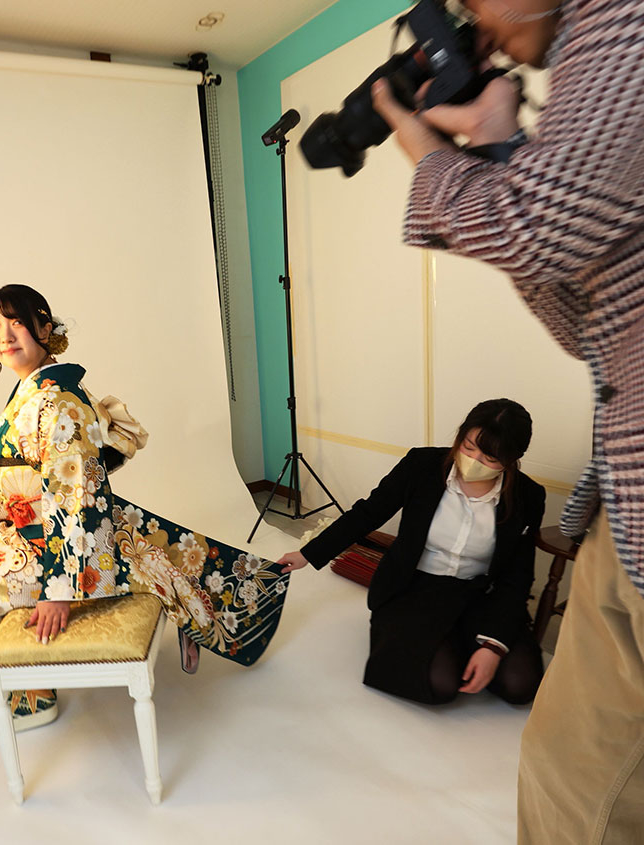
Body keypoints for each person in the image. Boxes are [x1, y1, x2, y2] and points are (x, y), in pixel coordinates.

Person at [369, 1, 644, 840]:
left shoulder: (623, 24)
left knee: (533, 697)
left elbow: (531, 230)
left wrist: (429, 150)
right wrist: (495, 149)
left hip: (584, 534)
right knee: (566, 758)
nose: (473, 26)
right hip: (608, 511)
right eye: (471, 447)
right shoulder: (424, 466)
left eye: (471, 4)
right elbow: (582, 319)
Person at [0, 284, 290, 731]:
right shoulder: (34, 390)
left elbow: (77, 497)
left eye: (16, 322)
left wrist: (61, 592)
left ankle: (25, 704)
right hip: (36, 528)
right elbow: (22, 473)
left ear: (44, 329)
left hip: (64, 546)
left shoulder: (58, 402)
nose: (4, 335)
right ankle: (17, 694)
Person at [278, 399, 546, 705]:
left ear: (512, 459)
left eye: (490, 457)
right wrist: (308, 554)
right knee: (439, 684)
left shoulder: (527, 495)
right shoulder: (422, 465)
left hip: (480, 594)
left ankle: (463, 639)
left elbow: (518, 572)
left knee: (520, 684)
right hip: (415, 586)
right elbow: (367, 513)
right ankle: (452, 642)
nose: (474, 460)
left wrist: (493, 647)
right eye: (469, 446)